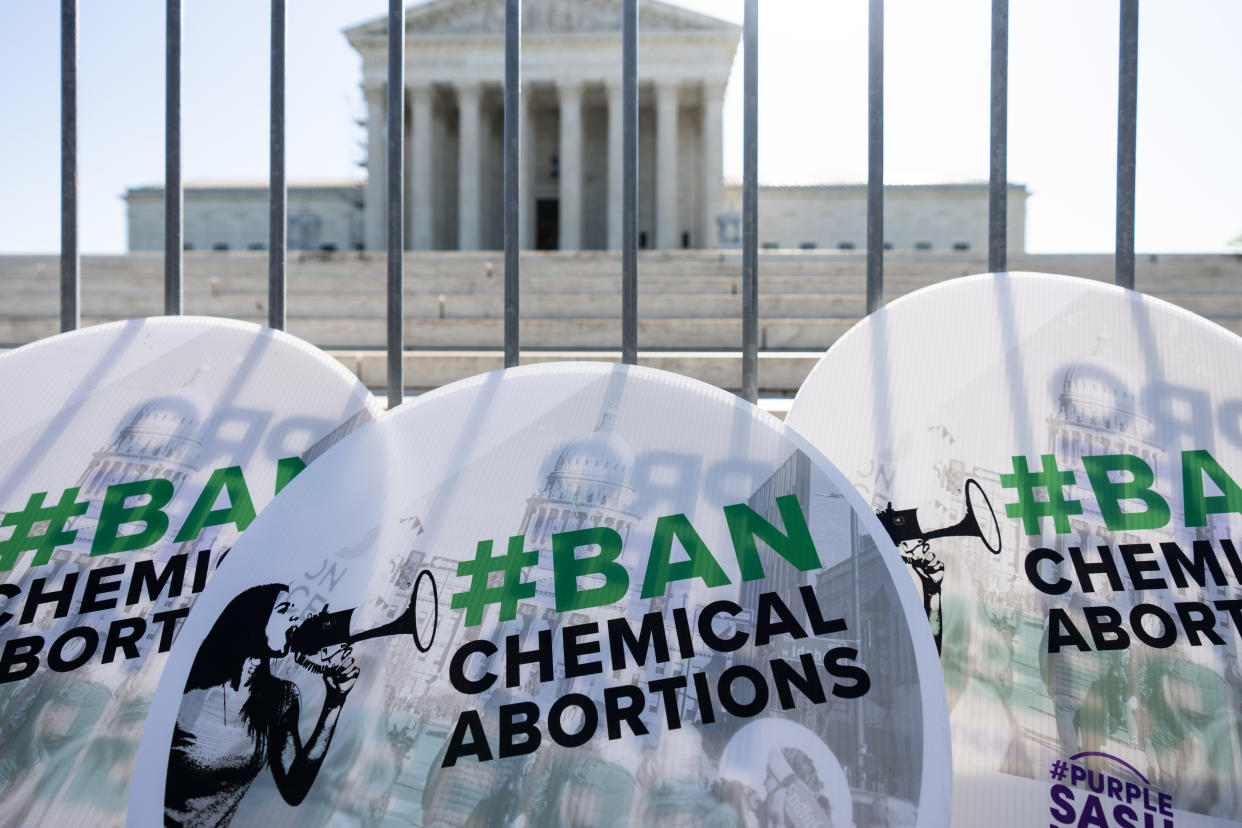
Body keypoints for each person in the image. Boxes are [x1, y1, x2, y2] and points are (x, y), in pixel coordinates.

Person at [164, 584, 359, 827]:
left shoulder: (281, 697)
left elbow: (294, 787)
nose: (295, 618)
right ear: (253, 620)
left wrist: (335, 700)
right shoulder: (190, 687)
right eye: (284, 609)